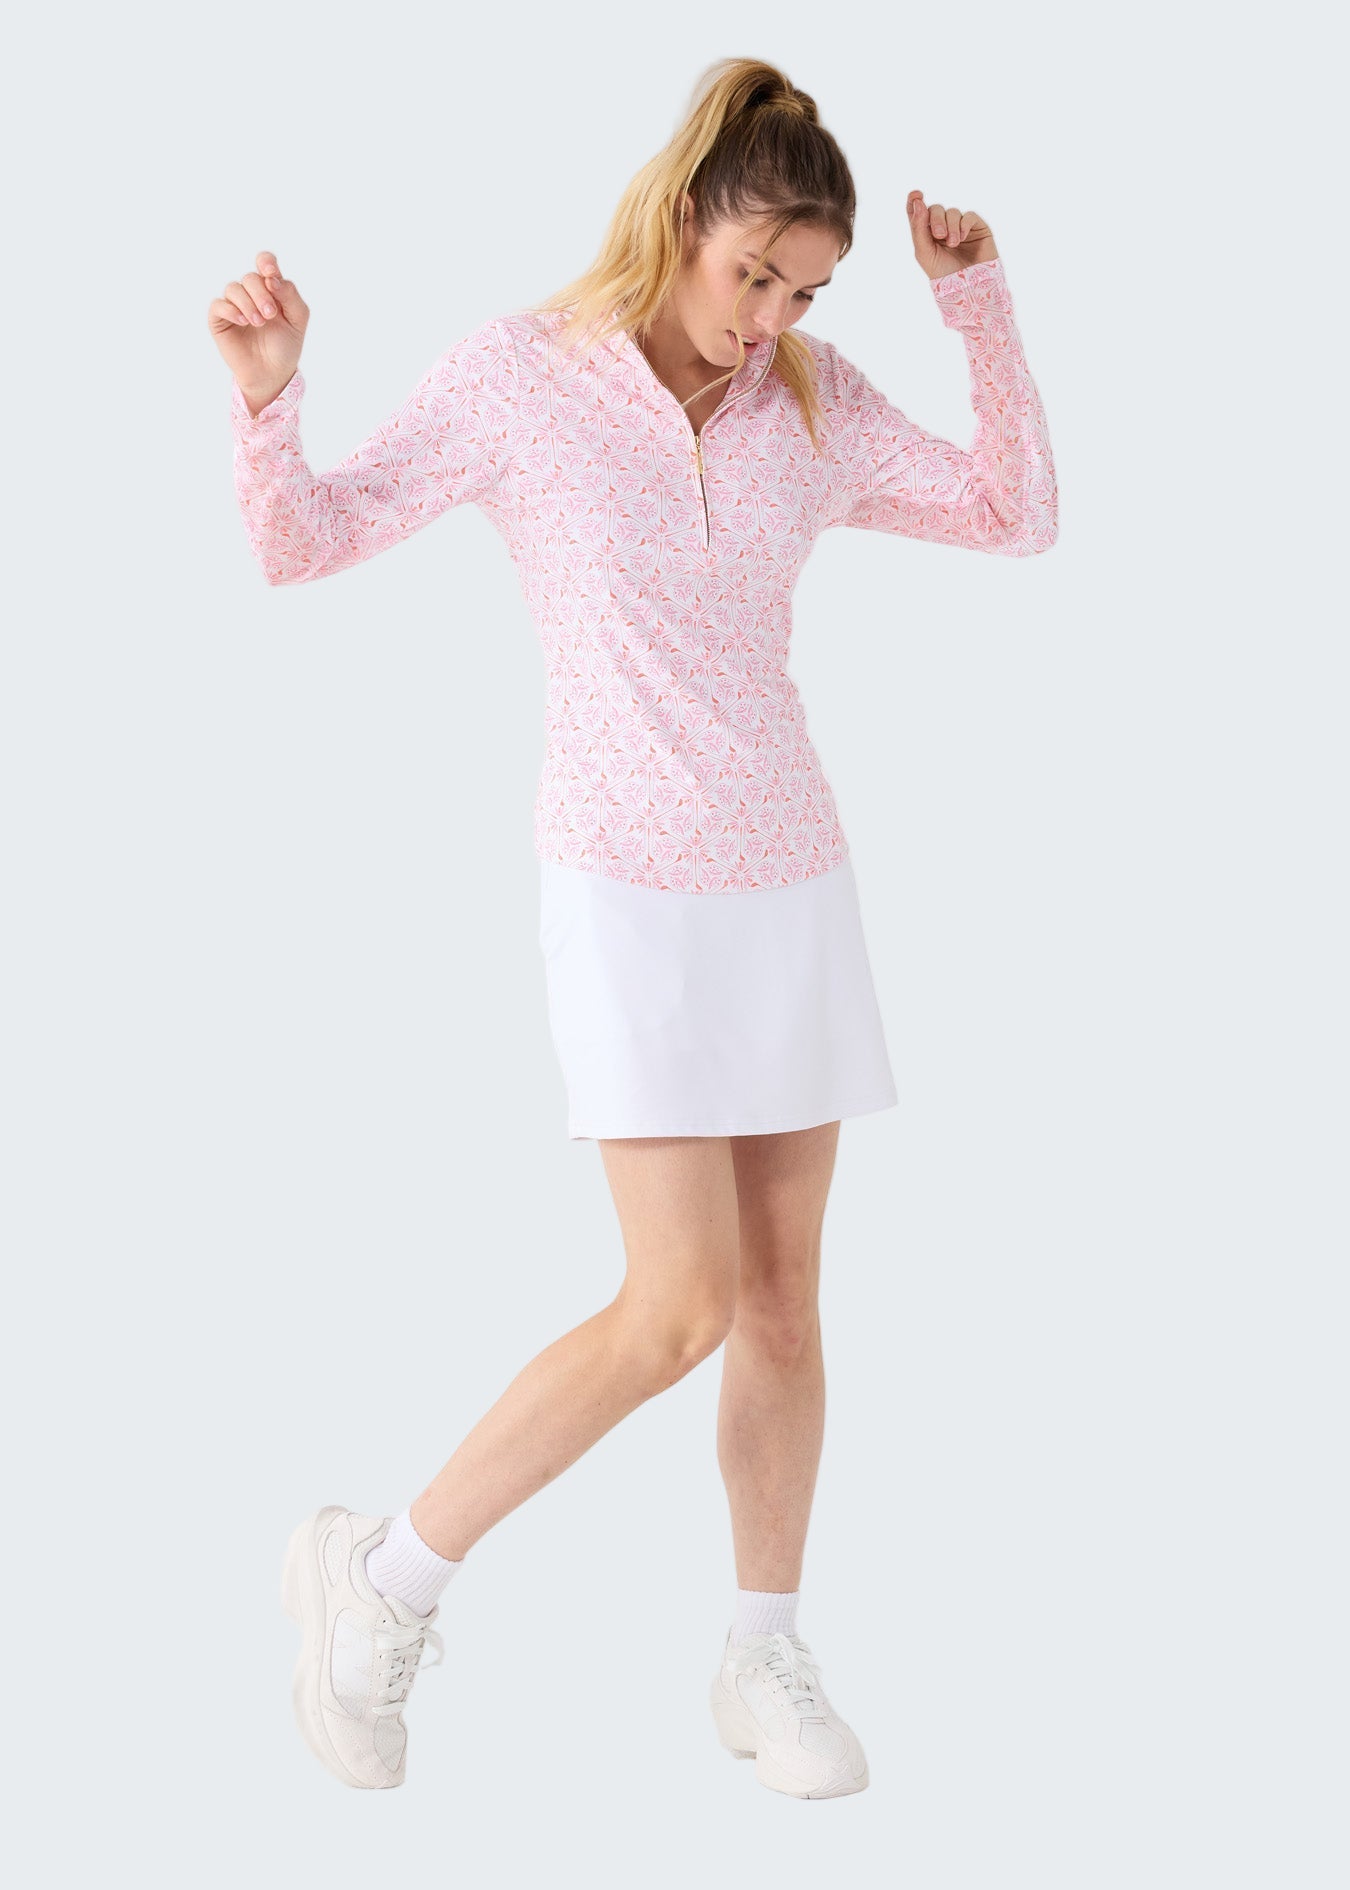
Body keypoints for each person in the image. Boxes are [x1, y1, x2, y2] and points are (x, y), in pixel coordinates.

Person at [210, 56, 1057, 1801]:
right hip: (622, 891)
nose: (770, 320)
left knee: (784, 1306)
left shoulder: (808, 400)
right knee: (674, 1306)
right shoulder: (519, 376)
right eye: (755, 274)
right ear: (683, 217)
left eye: (806, 290)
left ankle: (761, 1650)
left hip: (792, 879)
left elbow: (1012, 512)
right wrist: (270, 402)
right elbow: (304, 544)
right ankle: (380, 1574)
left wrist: (974, 307)